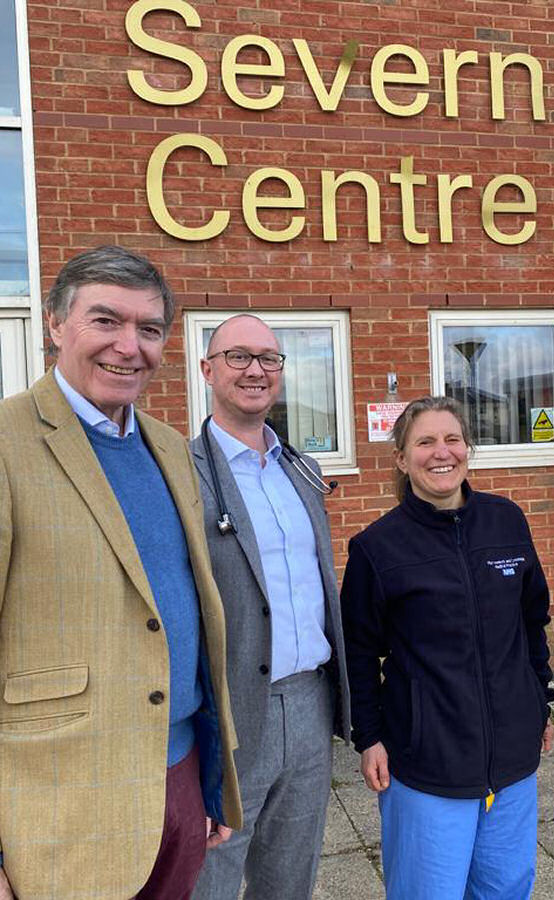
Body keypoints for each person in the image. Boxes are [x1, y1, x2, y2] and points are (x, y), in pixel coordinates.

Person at [0, 246, 242, 900]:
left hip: (179, 787)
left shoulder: (169, 447)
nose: (129, 346)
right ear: (55, 324)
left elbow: (181, 617)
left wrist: (209, 783)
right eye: (105, 321)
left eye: (149, 328)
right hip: (61, 818)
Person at [341, 396, 554, 898]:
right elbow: (357, 651)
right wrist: (368, 736)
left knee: (505, 889)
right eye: (425, 441)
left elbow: (533, 623)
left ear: (468, 449)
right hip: (425, 762)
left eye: (452, 439)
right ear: (401, 458)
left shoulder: (507, 522)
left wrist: (539, 702)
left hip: (511, 760)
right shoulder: (377, 548)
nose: (442, 452)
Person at [189, 314, 351, 899]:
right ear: (207, 370)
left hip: (310, 702)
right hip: (230, 711)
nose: (255, 370)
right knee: (209, 874)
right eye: (237, 356)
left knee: (290, 876)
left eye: (269, 358)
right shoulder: (183, 472)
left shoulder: (299, 470)